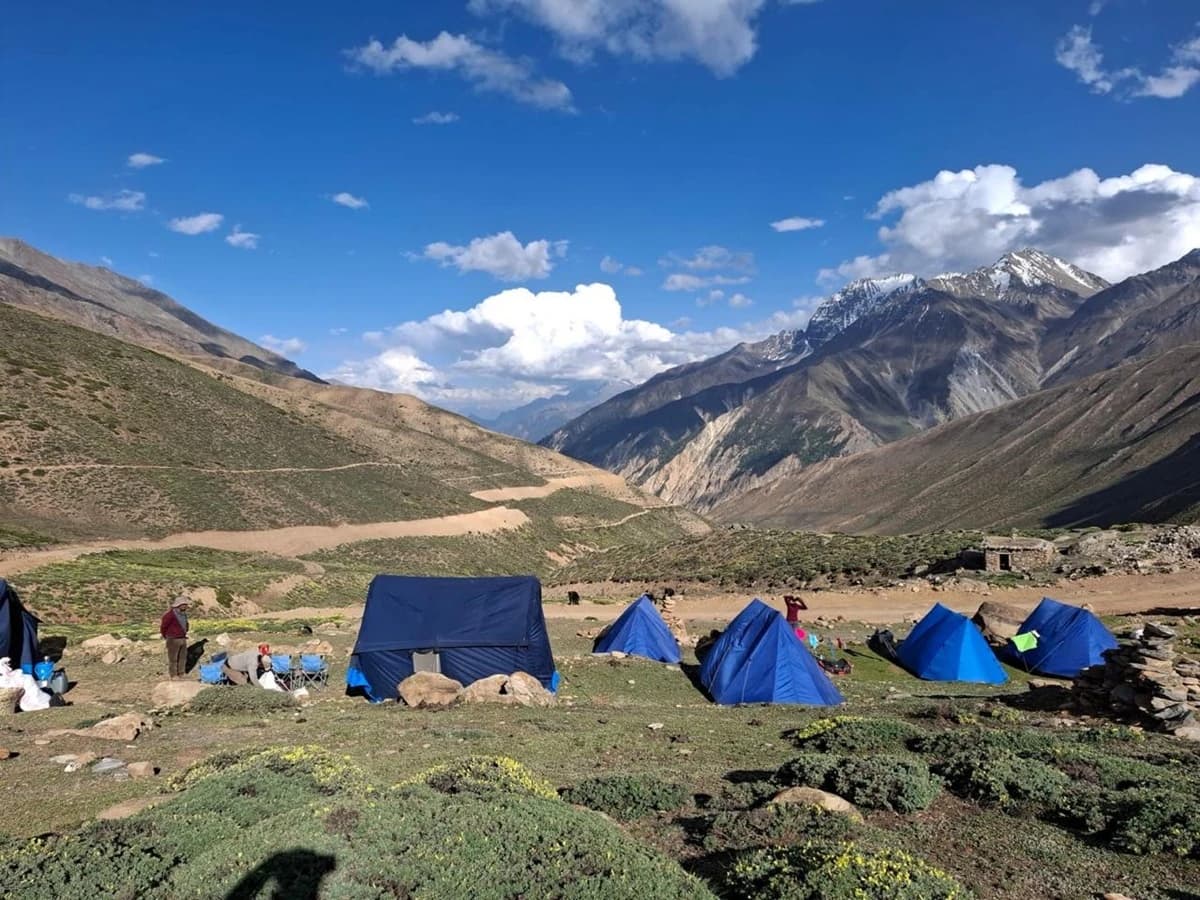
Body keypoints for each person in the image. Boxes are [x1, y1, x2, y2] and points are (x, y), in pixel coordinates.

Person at [160, 596, 190, 680]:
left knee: (182, 657)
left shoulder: (183, 614)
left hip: (182, 638)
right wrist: (165, 635)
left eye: (185, 604)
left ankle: (181, 673)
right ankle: (173, 675)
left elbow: (185, 624)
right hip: (173, 639)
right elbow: (163, 626)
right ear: (178, 605)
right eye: (183, 604)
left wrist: (186, 629)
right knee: (173, 658)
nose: (185, 606)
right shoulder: (170, 615)